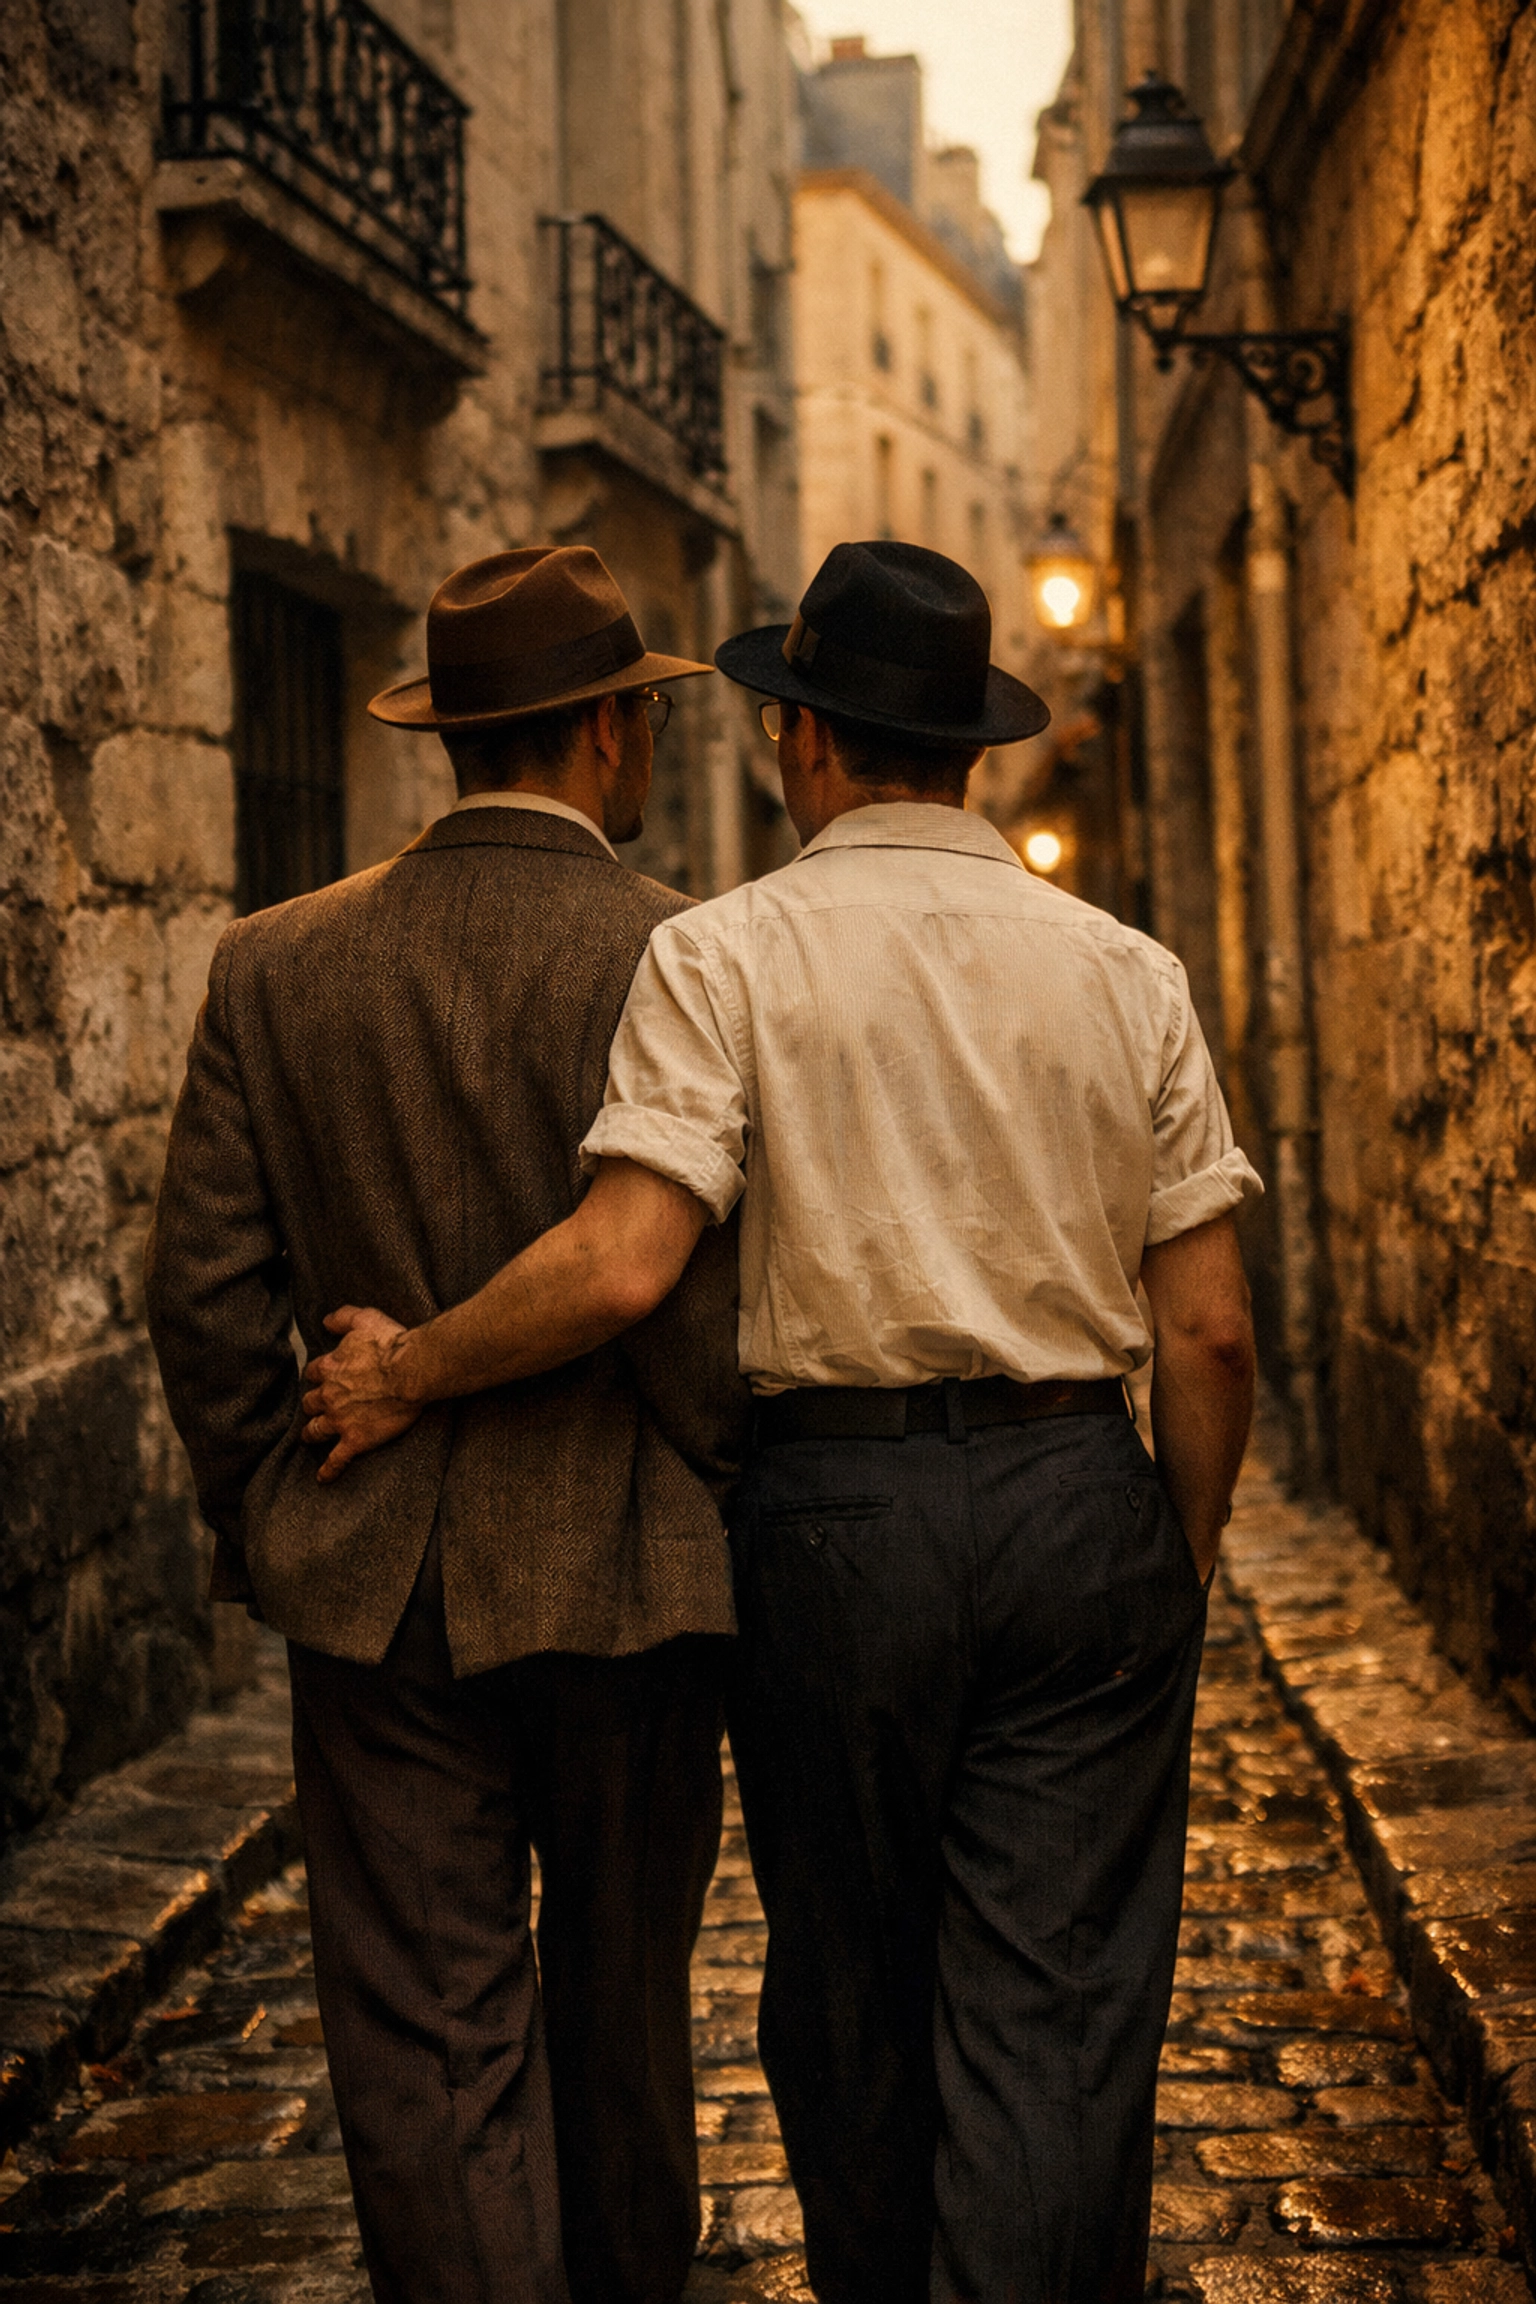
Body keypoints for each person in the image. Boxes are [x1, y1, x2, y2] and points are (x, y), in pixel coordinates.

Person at [302, 540, 1263, 2304]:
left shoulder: (726, 954)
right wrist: (1169, 1550)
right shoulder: (1130, 971)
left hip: (832, 1527)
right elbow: (1206, 1331)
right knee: (1056, 2005)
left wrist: (408, 1367)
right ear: (971, 749)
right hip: (1077, 1499)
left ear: (804, 746)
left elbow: (621, 1263)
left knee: (849, 1989)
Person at [144, 545, 752, 2304]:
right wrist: (718, 1493)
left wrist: (278, 1514)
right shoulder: (675, 954)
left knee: (424, 2035)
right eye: (638, 713)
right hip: (634, 1581)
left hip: (374, 1581)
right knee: (627, 2011)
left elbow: (201, 1295)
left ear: (456, 737)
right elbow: (706, 1313)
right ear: (608, 735)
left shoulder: (275, 966)